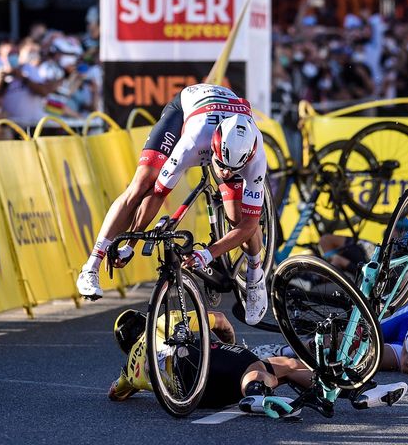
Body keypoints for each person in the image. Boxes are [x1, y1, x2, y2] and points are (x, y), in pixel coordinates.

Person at [75, 83, 270, 325]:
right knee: (142, 184)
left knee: (238, 218)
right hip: (190, 109)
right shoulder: (193, 140)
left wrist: (207, 254)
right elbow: (157, 194)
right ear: (213, 148)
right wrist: (131, 243)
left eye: (233, 170)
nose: (225, 173)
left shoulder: (256, 155)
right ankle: (91, 266)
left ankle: (255, 275)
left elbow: (250, 225)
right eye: (220, 165)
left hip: (230, 118)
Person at [108, 309, 408, 411]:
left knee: (286, 368)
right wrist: (232, 346)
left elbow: (115, 393)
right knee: (255, 365)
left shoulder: (128, 371)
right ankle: (256, 396)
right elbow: (220, 320)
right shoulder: (160, 321)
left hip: (199, 398)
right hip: (195, 365)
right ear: (143, 321)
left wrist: (130, 385)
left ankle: (353, 393)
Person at [254, 291, 408, 377]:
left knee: (361, 358)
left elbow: (406, 363)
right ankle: (283, 350)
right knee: (350, 340)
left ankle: (293, 364)